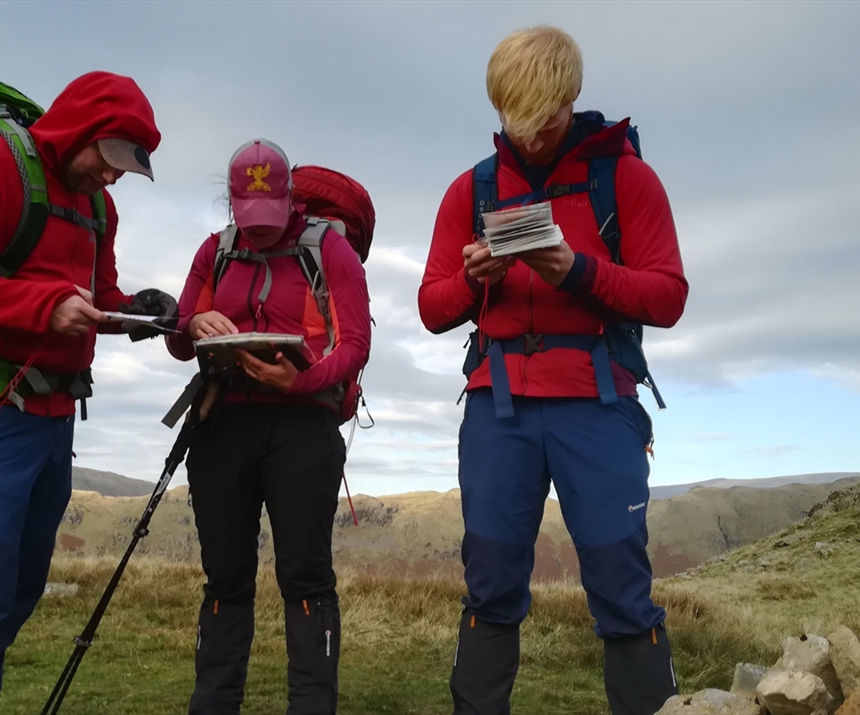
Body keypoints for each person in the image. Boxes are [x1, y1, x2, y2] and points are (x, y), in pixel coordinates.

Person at [0, 71, 175, 715]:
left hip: (55, 415)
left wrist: (139, 312)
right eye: (109, 158)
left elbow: (95, 298)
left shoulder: (100, 206)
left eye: (127, 166)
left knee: (15, 590)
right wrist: (41, 308)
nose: (113, 176)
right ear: (78, 131)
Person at [418, 26, 689, 715]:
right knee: (490, 581)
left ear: (570, 100)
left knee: (621, 582)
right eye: (518, 123)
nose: (534, 139)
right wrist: (478, 278)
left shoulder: (624, 177)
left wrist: (578, 271)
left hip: (599, 403)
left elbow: (668, 295)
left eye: (548, 122)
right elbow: (431, 307)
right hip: (497, 407)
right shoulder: (470, 189)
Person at [164, 139, 372, 715]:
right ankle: (213, 704)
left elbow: (355, 346)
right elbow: (180, 342)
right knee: (225, 577)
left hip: (303, 428)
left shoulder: (331, 251)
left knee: (305, 576)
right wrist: (191, 322)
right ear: (231, 204)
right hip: (222, 421)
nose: (257, 230)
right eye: (246, 218)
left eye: (269, 218)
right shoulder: (215, 251)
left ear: (289, 198)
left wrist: (298, 383)